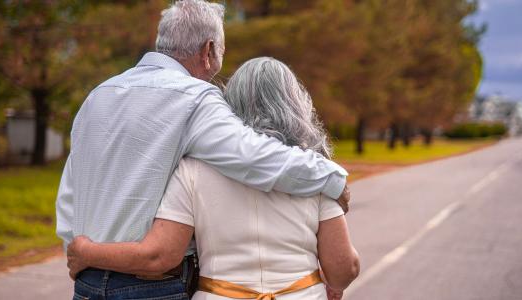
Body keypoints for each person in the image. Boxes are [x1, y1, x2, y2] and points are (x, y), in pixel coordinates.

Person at [55, 1, 351, 299]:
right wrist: (331, 176)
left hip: (87, 279)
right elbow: (253, 157)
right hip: (153, 283)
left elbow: (71, 188)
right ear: (208, 51)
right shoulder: (196, 98)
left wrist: (80, 251)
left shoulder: (99, 95)